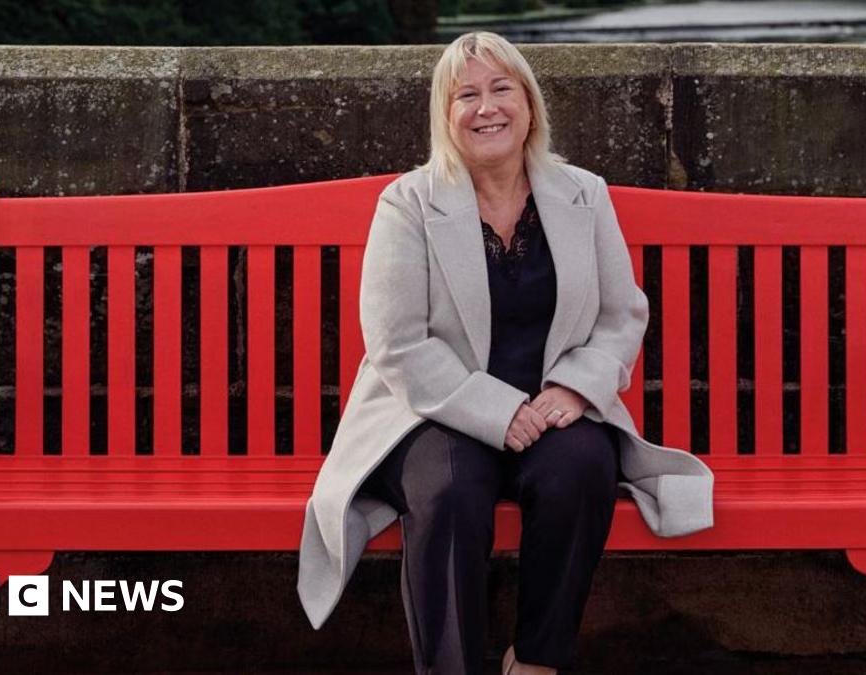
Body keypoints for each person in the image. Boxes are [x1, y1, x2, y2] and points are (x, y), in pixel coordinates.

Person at [297, 31, 714, 674]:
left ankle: (538, 662)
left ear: (529, 104)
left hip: (553, 403)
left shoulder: (583, 193)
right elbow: (397, 341)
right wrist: (496, 411)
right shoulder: (409, 202)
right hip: (434, 411)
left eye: (501, 89)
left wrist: (578, 388)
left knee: (581, 469)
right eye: (466, 95)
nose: (486, 107)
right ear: (446, 114)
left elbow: (621, 312)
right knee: (452, 493)